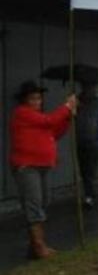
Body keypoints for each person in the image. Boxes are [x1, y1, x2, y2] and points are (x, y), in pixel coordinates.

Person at [9, 81, 77, 259]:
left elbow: (55, 131)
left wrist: (68, 117)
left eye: (38, 98)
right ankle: (40, 247)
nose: (37, 102)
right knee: (34, 205)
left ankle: (35, 246)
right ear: (25, 100)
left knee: (44, 202)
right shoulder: (22, 113)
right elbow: (49, 121)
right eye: (32, 98)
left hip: (43, 165)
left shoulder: (38, 118)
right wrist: (67, 107)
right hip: (28, 166)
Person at [75, 82, 98, 209]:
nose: (90, 89)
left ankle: (89, 196)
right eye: (86, 87)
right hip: (80, 140)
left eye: (92, 87)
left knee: (90, 170)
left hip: (95, 141)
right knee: (83, 170)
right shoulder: (77, 100)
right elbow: (70, 115)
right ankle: (88, 194)